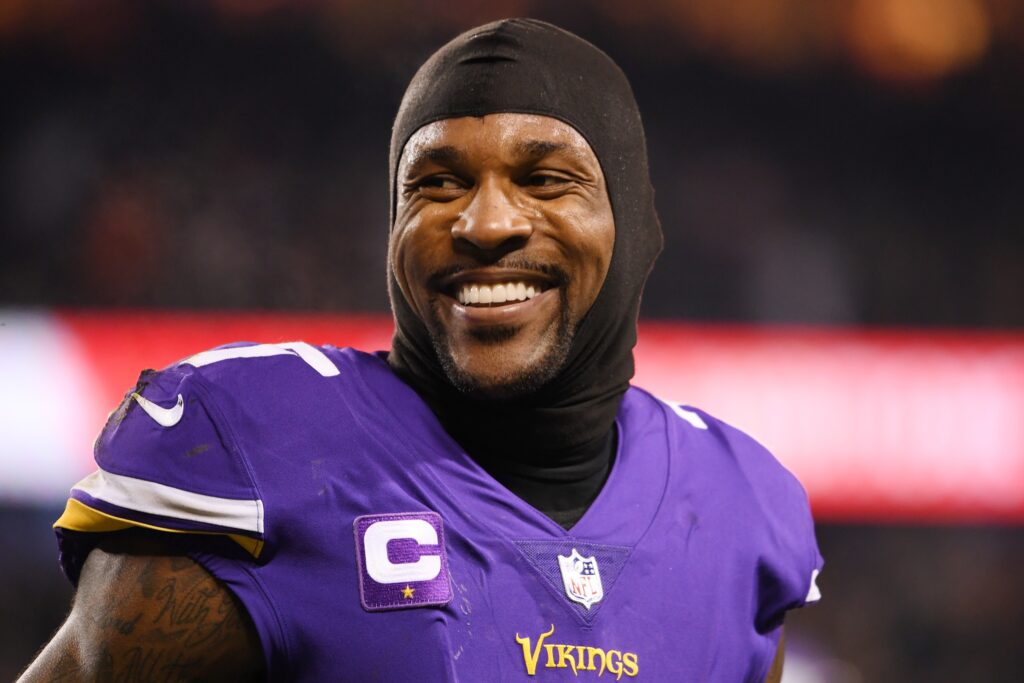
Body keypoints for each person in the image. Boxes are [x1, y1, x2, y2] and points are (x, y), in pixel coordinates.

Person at [20, 18, 821, 682]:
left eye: (545, 179)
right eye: (437, 183)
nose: (484, 223)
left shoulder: (739, 508)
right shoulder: (256, 447)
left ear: (633, 229)